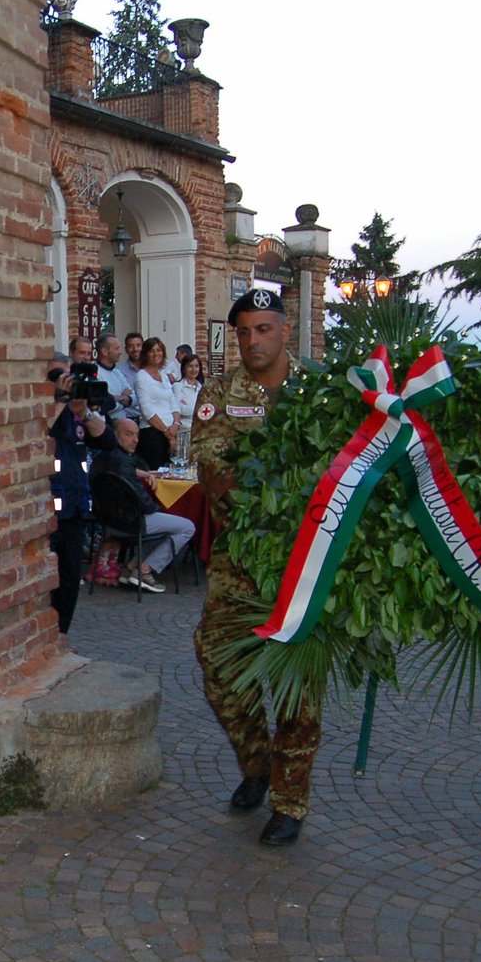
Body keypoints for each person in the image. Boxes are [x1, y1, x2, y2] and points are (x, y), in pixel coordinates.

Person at [191, 288, 319, 847]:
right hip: (241, 559)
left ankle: (290, 802)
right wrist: (283, 488)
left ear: (285, 331)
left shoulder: (322, 394)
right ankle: (258, 762)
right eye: (243, 331)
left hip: (308, 561)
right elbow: (213, 472)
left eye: (263, 329)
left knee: (296, 687)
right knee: (217, 663)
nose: (252, 341)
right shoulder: (218, 394)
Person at [46, 355, 116, 633]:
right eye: (56, 377)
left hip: (74, 508)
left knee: (70, 577)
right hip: (47, 511)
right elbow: (36, 434)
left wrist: (84, 411)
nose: (64, 382)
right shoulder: (41, 409)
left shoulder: (76, 412)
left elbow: (108, 441)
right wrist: (58, 401)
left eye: (67, 376)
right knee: (46, 581)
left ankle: (62, 633)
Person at [88, 418, 194, 593]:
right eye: (129, 434)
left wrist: (142, 473)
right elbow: (145, 504)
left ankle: (130, 567)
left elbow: (121, 470)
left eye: (137, 435)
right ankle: (144, 570)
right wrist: (163, 509)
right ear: (114, 435)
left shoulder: (103, 457)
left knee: (165, 523)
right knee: (187, 527)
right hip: (130, 522)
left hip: (107, 521)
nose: (135, 440)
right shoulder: (125, 462)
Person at [132, 337, 181, 469]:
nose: (156, 354)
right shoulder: (141, 377)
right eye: (151, 351)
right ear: (145, 354)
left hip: (170, 431)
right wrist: (167, 432)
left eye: (158, 350)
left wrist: (175, 425)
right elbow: (147, 410)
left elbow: (173, 404)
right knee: (156, 474)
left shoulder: (164, 376)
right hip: (152, 434)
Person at [94, 333, 136, 420]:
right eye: (116, 348)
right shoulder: (96, 374)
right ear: (105, 351)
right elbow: (104, 406)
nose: (120, 352)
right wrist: (124, 400)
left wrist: (117, 398)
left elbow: (135, 398)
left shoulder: (117, 373)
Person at [173, 353, 204, 463]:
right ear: (184, 368)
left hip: (199, 433)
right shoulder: (178, 387)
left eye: (196, 366)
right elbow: (177, 409)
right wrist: (194, 410)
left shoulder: (202, 388)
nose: (193, 369)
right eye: (190, 366)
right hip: (184, 432)